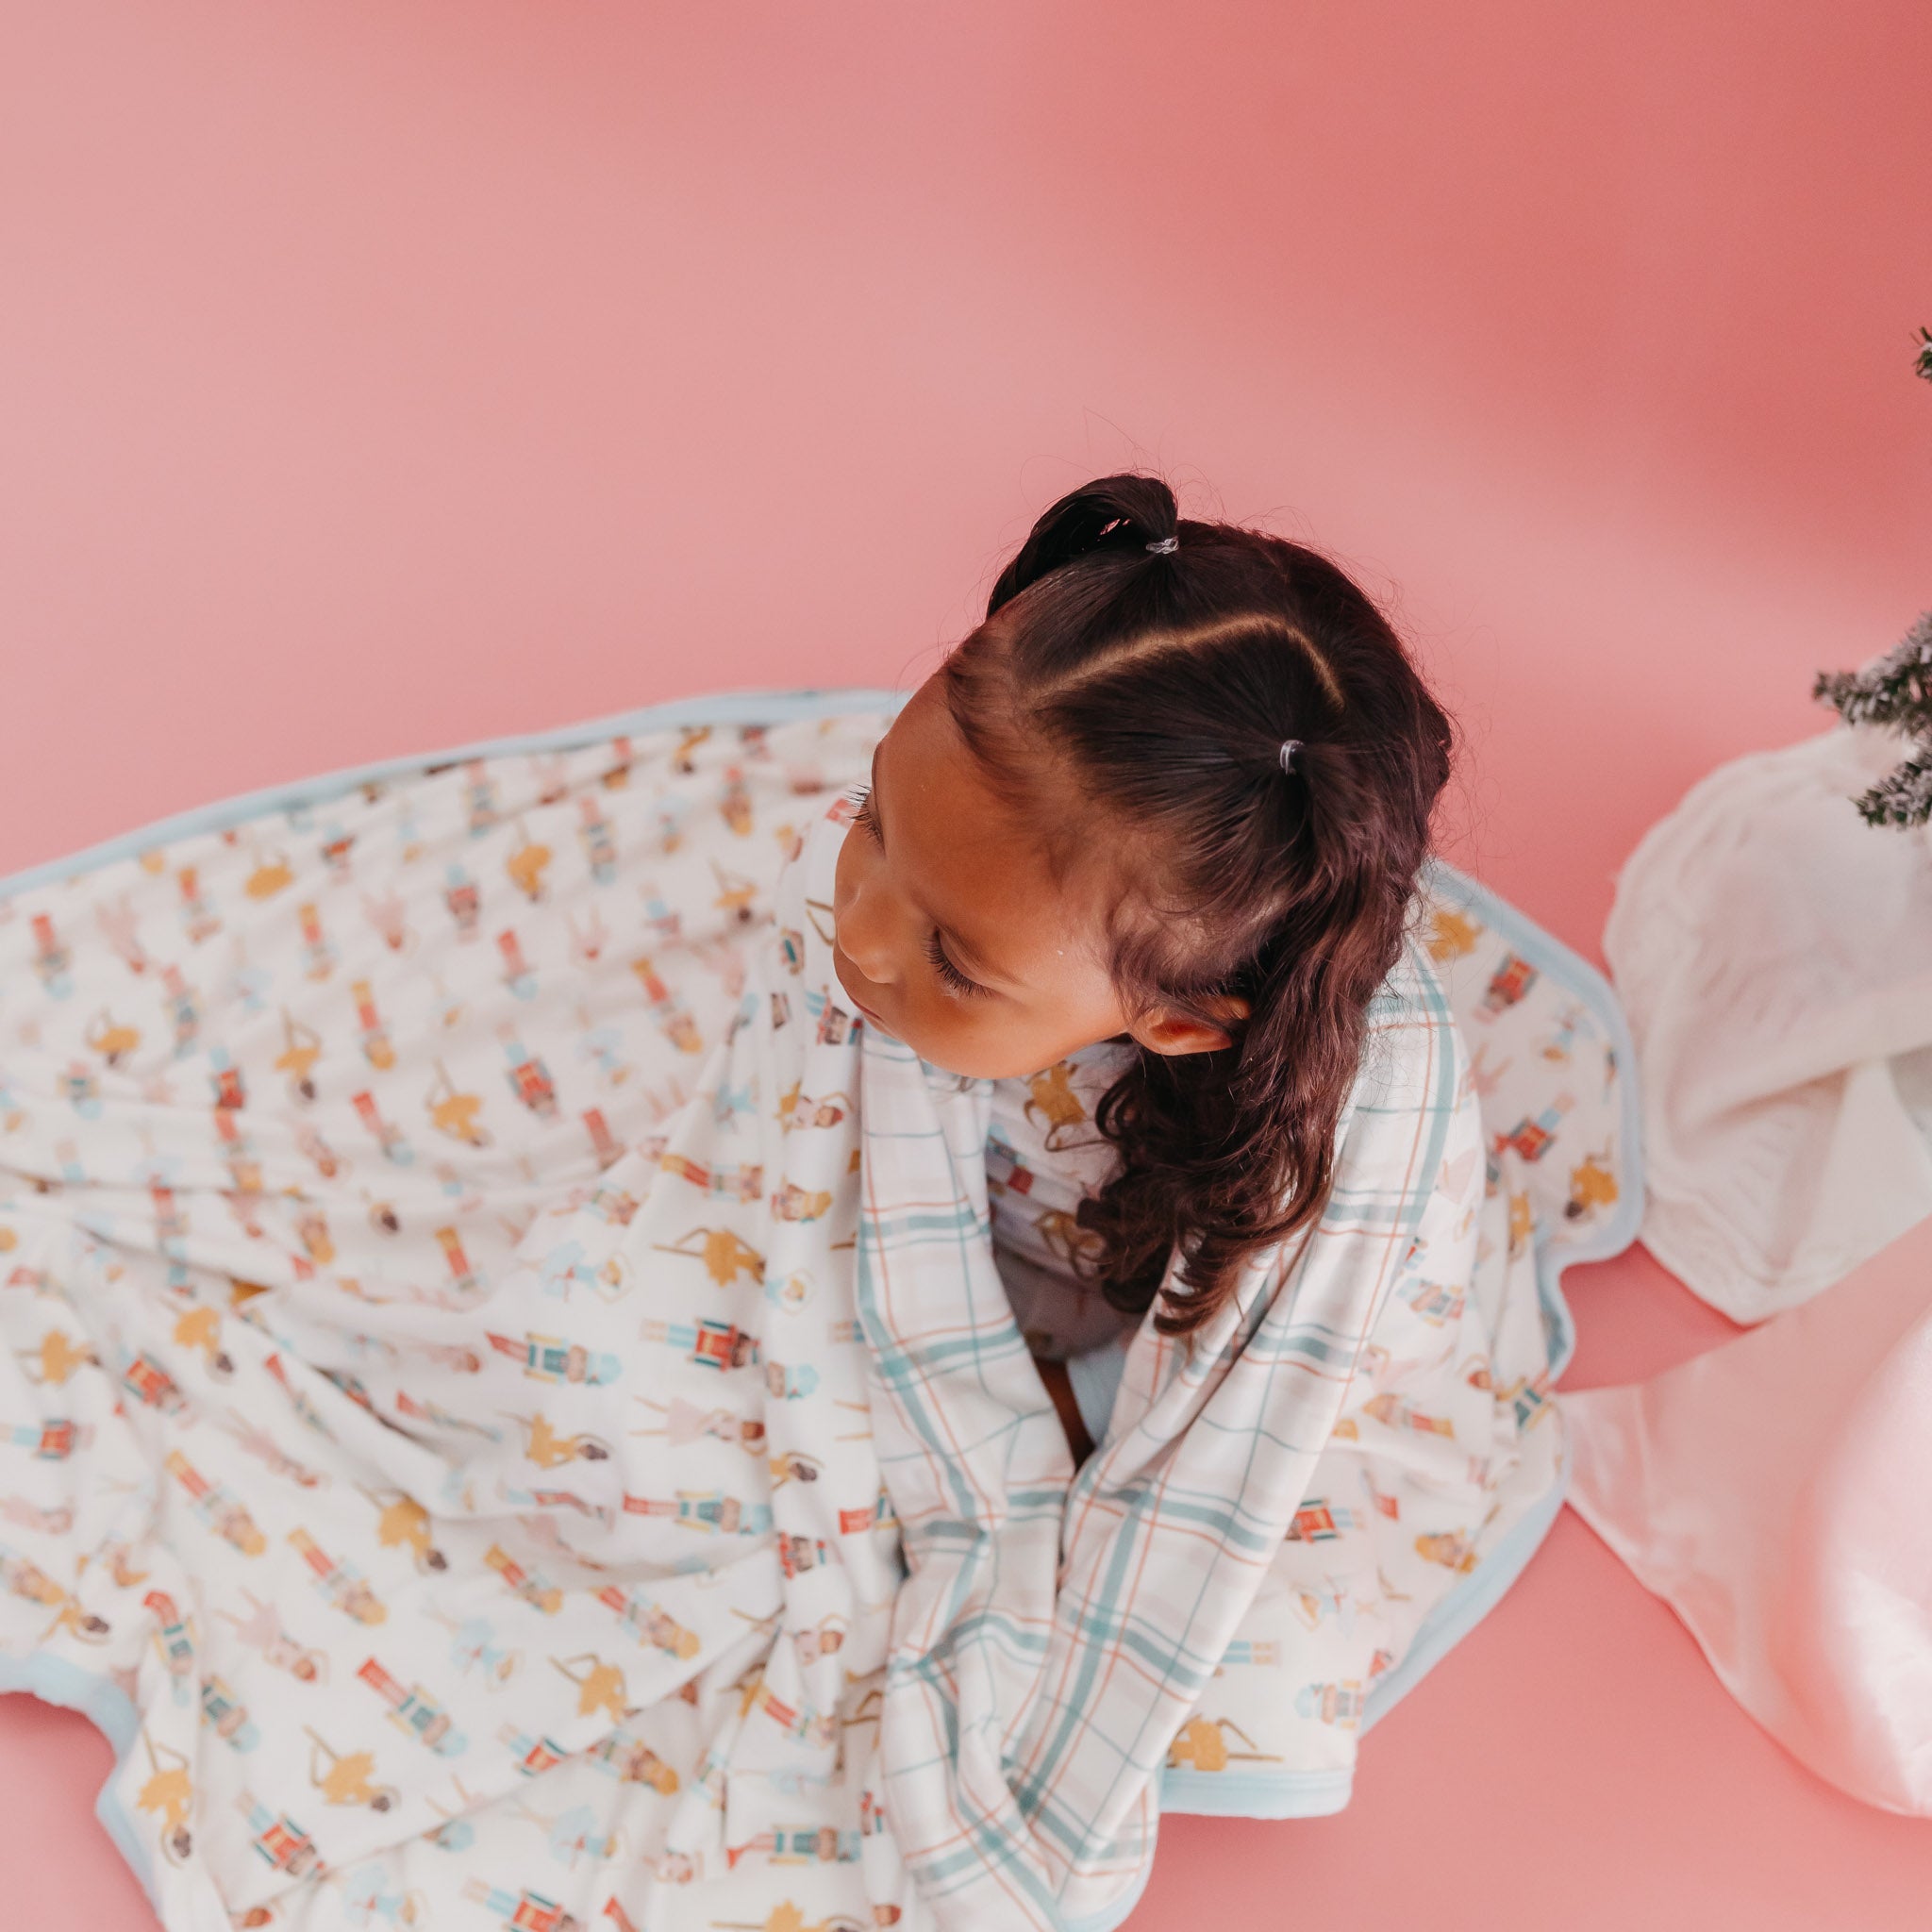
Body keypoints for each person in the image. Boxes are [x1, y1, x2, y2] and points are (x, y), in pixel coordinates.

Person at [830, 473, 1454, 1458]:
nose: (856, 932)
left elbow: (1232, 1378)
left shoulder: (1308, 1159)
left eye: (951, 958)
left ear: (1177, 1021)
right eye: (872, 817)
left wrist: (1049, 1407)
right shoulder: (948, 881)